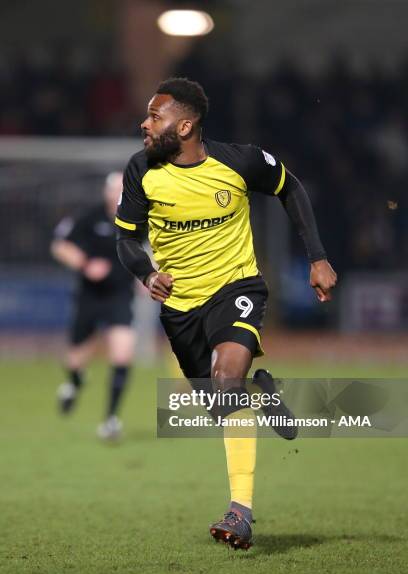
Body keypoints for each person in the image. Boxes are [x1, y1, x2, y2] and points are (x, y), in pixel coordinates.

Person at [115, 78, 337, 548]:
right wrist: (146, 273)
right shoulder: (141, 171)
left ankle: (240, 512)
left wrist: (317, 257)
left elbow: (290, 187)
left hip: (237, 287)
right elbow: (126, 239)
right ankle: (263, 395)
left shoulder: (239, 162)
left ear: (187, 124)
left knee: (225, 379)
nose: (145, 123)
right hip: (180, 306)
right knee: (220, 402)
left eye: (156, 116)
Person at [51, 172, 136, 440]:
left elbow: (151, 250)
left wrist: (152, 277)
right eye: (116, 190)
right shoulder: (88, 217)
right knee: (76, 358)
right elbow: (60, 246)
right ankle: (74, 382)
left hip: (120, 296)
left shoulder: (139, 219)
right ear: (107, 192)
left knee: (122, 354)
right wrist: (86, 265)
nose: (120, 194)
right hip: (90, 296)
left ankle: (111, 419)